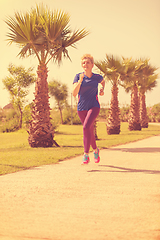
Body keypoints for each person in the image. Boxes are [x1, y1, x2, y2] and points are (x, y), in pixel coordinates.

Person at [73, 54, 105, 164]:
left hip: (94, 106)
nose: (85, 64)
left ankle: (86, 154)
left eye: (87, 62)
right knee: (89, 130)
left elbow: (103, 82)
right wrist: (80, 81)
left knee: (86, 127)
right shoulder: (78, 76)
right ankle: (95, 150)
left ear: (92, 64)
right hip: (81, 108)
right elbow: (74, 93)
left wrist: (102, 89)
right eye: (83, 63)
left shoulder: (97, 77)